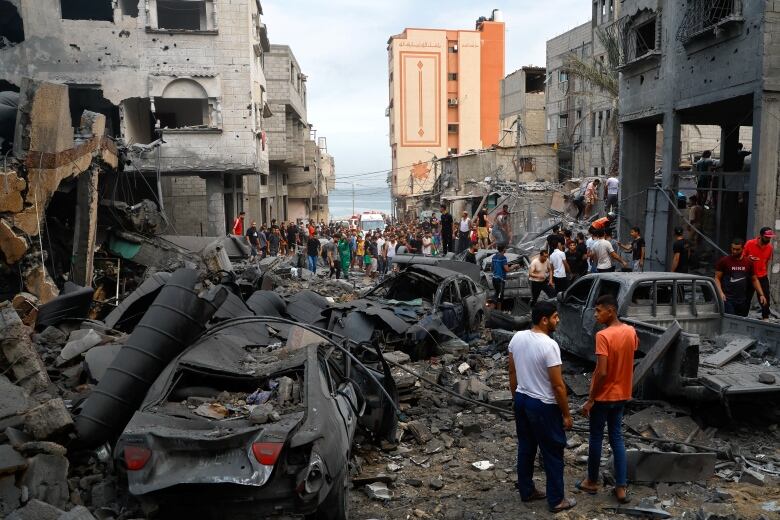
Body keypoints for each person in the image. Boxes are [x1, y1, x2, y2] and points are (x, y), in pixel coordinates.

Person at [508, 301, 576, 513]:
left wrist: (516, 397)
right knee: (553, 451)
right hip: (543, 405)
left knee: (526, 446)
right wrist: (566, 414)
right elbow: (557, 385)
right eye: (555, 316)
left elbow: (512, 373)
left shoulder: (517, 337)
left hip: (522, 398)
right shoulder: (549, 345)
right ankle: (557, 500)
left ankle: (527, 490)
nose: (558, 320)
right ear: (544, 319)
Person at [577, 295, 638, 505]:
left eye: (598, 311)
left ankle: (591, 481)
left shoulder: (603, 336)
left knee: (596, 438)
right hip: (622, 394)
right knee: (617, 439)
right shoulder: (631, 332)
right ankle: (620, 487)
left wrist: (591, 399)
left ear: (610, 311)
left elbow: (602, 372)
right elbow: (629, 356)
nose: (595, 315)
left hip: (603, 396)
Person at [715, 238, 766, 317]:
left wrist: (761, 294)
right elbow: (717, 278)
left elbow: (754, 279)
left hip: (742, 299)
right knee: (731, 320)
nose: (734, 251)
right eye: (733, 249)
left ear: (743, 249)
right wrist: (720, 293)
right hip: (728, 299)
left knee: (741, 321)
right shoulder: (724, 261)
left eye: (737, 249)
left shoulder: (748, 263)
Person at [744, 227, 775, 320]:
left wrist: (763, 270)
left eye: (770, 237)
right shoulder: (750, 243)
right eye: (767, 237)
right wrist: (748, 258)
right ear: (761, 236)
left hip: (762, 276)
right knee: (746, 298)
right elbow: (741, 258)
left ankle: (765, 318)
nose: (769, 239)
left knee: (765, 297)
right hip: (749, 276)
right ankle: (742, 317)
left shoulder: (769, 248)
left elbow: (767, 262)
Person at [491, 245, 518, 311]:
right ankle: (496, 312)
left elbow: (492, 268)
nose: (506, 249)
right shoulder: (503, 257)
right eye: (505, 248)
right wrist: (514, 266)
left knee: (497, 294)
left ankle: (494, 312)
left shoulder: (494, 257)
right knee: (499, 296)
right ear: (503, 249)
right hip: (500, 280)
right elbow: (507, 269)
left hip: (494, 279)